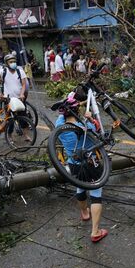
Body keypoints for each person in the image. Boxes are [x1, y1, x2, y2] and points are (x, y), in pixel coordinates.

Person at [55, 92, 108, 243]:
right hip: (91, 163)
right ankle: (95, 231)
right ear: (77, 111)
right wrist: (90, 117)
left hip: (73, 164)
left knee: (80, 187)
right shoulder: (85, 126)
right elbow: (99, 133)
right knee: (96, 192)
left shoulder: (60, 125)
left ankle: (84, 213)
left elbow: (62, 114)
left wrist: (69, 96)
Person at [0, 54, 31, 140]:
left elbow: (23, 84)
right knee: (10, 119)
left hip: (19, 99)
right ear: (7, 63)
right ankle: (9, 136)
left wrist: (22, 94)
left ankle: (26, 135)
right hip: (7, 99)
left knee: (23, 117)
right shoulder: (3, 71)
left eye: (14, 61)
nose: (13, 63)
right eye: (11, 62)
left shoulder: (20, 71)